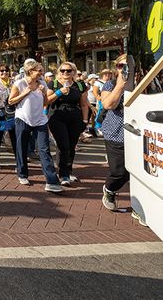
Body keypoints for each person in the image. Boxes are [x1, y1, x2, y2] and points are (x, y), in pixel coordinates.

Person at [99, 54, 145, 225]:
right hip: (116, 133)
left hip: (139, 132)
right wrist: (120, 85)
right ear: (115, 68)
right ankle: (109, 189)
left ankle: (141, 208)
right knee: (121, 173)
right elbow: (108, 105)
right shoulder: (110, 84)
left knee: (141, 172)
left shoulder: (143, 83)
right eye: (121, 66)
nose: (124, 69)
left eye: (128, 66)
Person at [9, 60, 63, 193]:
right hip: (23, 119)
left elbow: (45, 103)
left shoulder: (43, 83)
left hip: (40, 120)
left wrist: (44, 93)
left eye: (41, 70)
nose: (41, 73)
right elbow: (10, 101)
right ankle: (22, 174)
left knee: (44, 149)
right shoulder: (19, 84)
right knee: (21, 147)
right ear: (30, 71)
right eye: (39, 70)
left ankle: (51, 181)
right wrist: (26, 92)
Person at [46, 62, 89, 186]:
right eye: (63, 70)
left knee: (71, 145)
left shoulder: (80, 85)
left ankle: (68, 171)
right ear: (59, 72)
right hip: (57, 116)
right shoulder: (53, 84)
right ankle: (63, 174)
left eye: (68, 71)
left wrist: (85, 121)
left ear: (73, 72)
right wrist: (59, 92)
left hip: (75, 117)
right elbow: (47, 101)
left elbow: (84, 104)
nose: (65, 73)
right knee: (63, 145)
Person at [0, 64, 16, 169]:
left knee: (15, 138)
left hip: (13, 112)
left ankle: (18, 160)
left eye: (6, 70)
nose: (4, 72)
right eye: (1, 71)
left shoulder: (14, 83)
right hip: (0, 112)